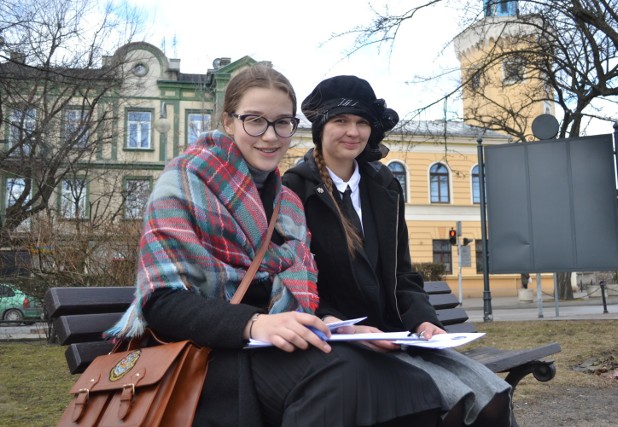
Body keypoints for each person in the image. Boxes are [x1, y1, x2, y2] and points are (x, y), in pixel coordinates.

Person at [107, 64, 449, 427]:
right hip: (207, 354)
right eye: (255, 120)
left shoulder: (286, 203)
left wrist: (335, 326)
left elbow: (301, 299)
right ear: (228, 121)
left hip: (271, 348)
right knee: (344, 378)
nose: (270, 136)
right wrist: (253, 324)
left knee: (409, 384)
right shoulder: (183, 181)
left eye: (282, 122)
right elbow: (161, 301)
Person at [283, 75, 513, 426]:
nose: (353, 132)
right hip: (341, 341)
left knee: (494, 397)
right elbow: (296, 283)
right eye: (341, 121)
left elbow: (403, 274)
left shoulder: (385, 185)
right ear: (320, 128)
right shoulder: (294, 190)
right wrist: (341, 326)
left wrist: (425, 323)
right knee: (449, 402)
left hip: (396, 335)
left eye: (362, 123)